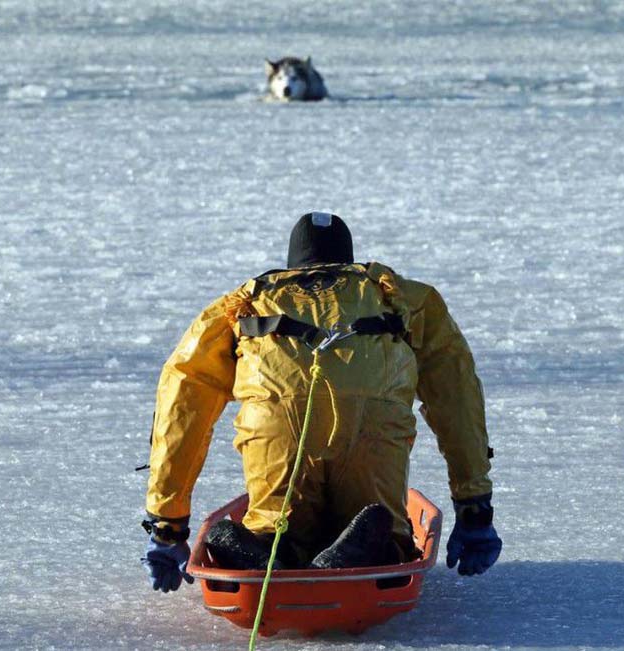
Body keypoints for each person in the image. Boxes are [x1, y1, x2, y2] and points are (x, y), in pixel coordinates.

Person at [141, 212, 502, 592]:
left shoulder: (244, 303)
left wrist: (168, 525)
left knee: (277, 527)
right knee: (387, 539)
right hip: (372, 429)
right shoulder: (401, 297)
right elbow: (456, 397)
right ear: (347, 260)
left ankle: (264, 550)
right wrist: (473, 507)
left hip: (277, 431)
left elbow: (182, 401)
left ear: (293, 263)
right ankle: (372, 546)